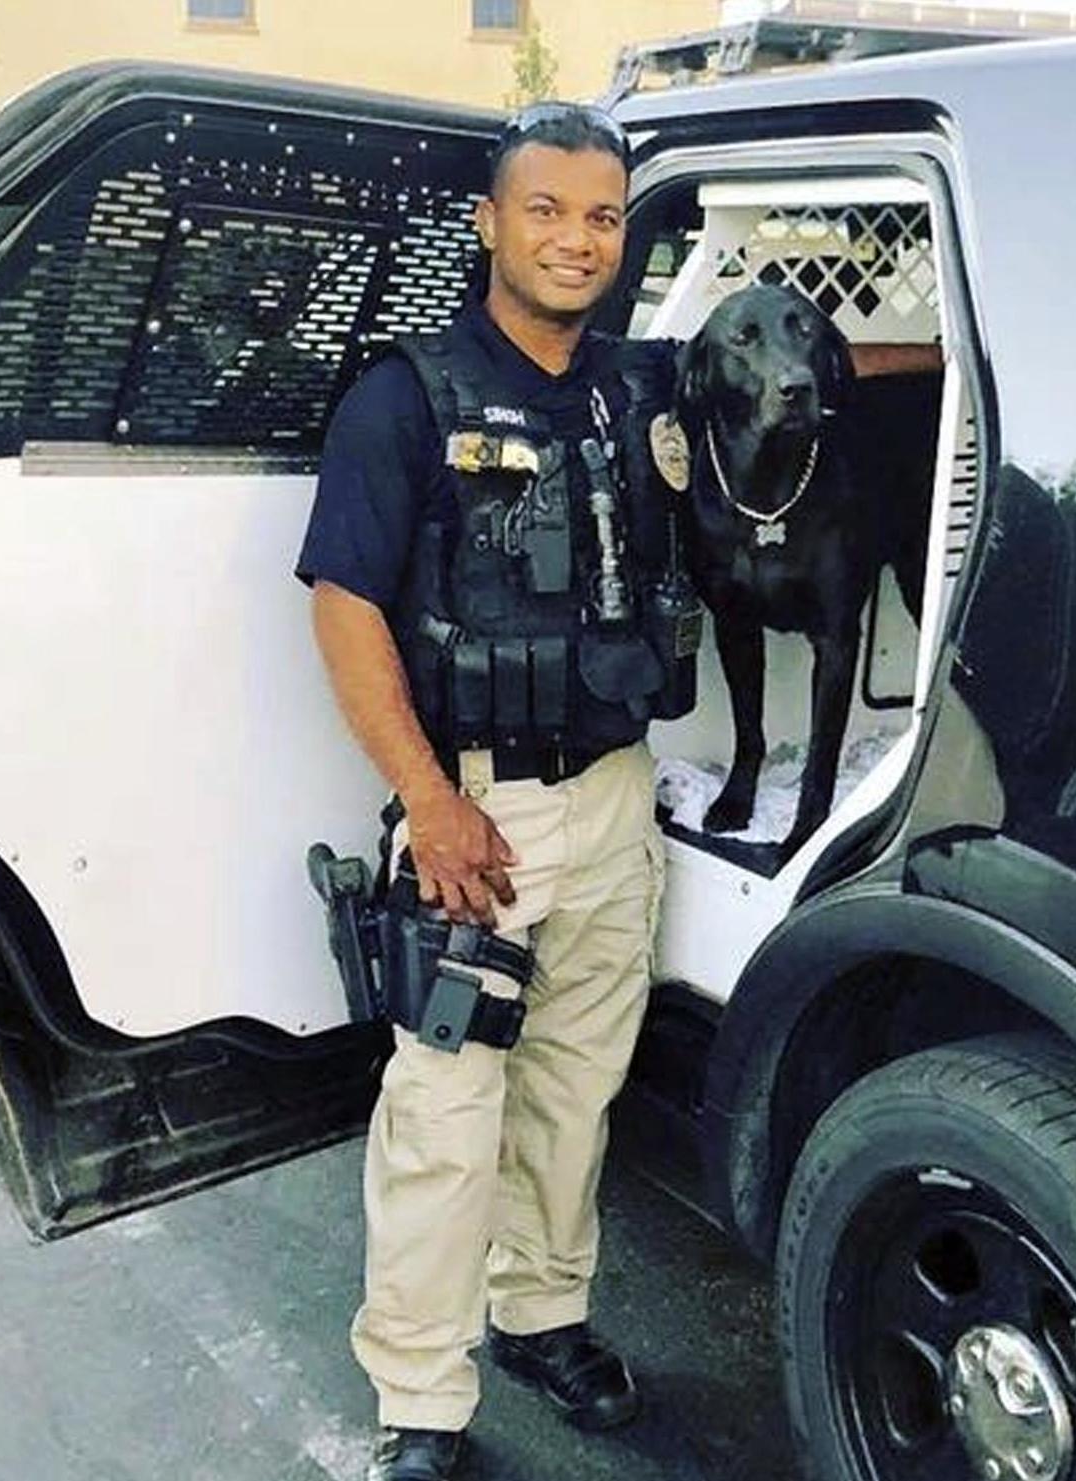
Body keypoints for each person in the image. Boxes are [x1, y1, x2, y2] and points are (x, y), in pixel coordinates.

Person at [296, 103, 679, 1481]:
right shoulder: (407, 397)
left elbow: (811, 373)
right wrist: (429, 799)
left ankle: (541, 1313)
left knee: (577, 1091)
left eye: (601, 216)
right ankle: (419, 1391)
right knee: (447, 1114)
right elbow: (345, 606)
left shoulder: (634, 386)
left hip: (618, 797)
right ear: (490, 225)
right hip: (480, 820)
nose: (577, 239)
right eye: (548, 210)